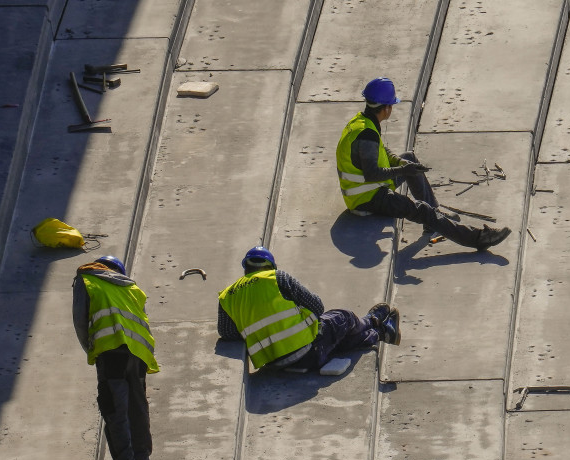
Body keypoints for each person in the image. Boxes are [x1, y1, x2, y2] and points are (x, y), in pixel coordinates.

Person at [336, 77, 511, 251]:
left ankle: (434, 215)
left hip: (369, 189)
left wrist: (403, 163)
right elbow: (372, 174)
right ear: (386, 108)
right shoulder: (367, 135)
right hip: (367, 198)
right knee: (420, 210)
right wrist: (403, 170)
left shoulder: (362, 122)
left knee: (410, 158)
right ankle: (478, 238)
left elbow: (383, 152)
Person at [218, 247, 401, 372]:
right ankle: (371, 321)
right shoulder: (277, 278)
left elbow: (226, 332)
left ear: (246, 269)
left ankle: (382, 332)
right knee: (342, 317)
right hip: (308, 351)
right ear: (271, 267)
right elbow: (317, 307)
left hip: (274, 364)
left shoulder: (227, 295)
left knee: (338, 340)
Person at [72, 256, 159, 460]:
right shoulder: (132, 288)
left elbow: (81, 320)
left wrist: (93, 350)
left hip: (111, 355)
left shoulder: (88, 278)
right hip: (139, 354)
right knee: (137, 410)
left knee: (115, 412)